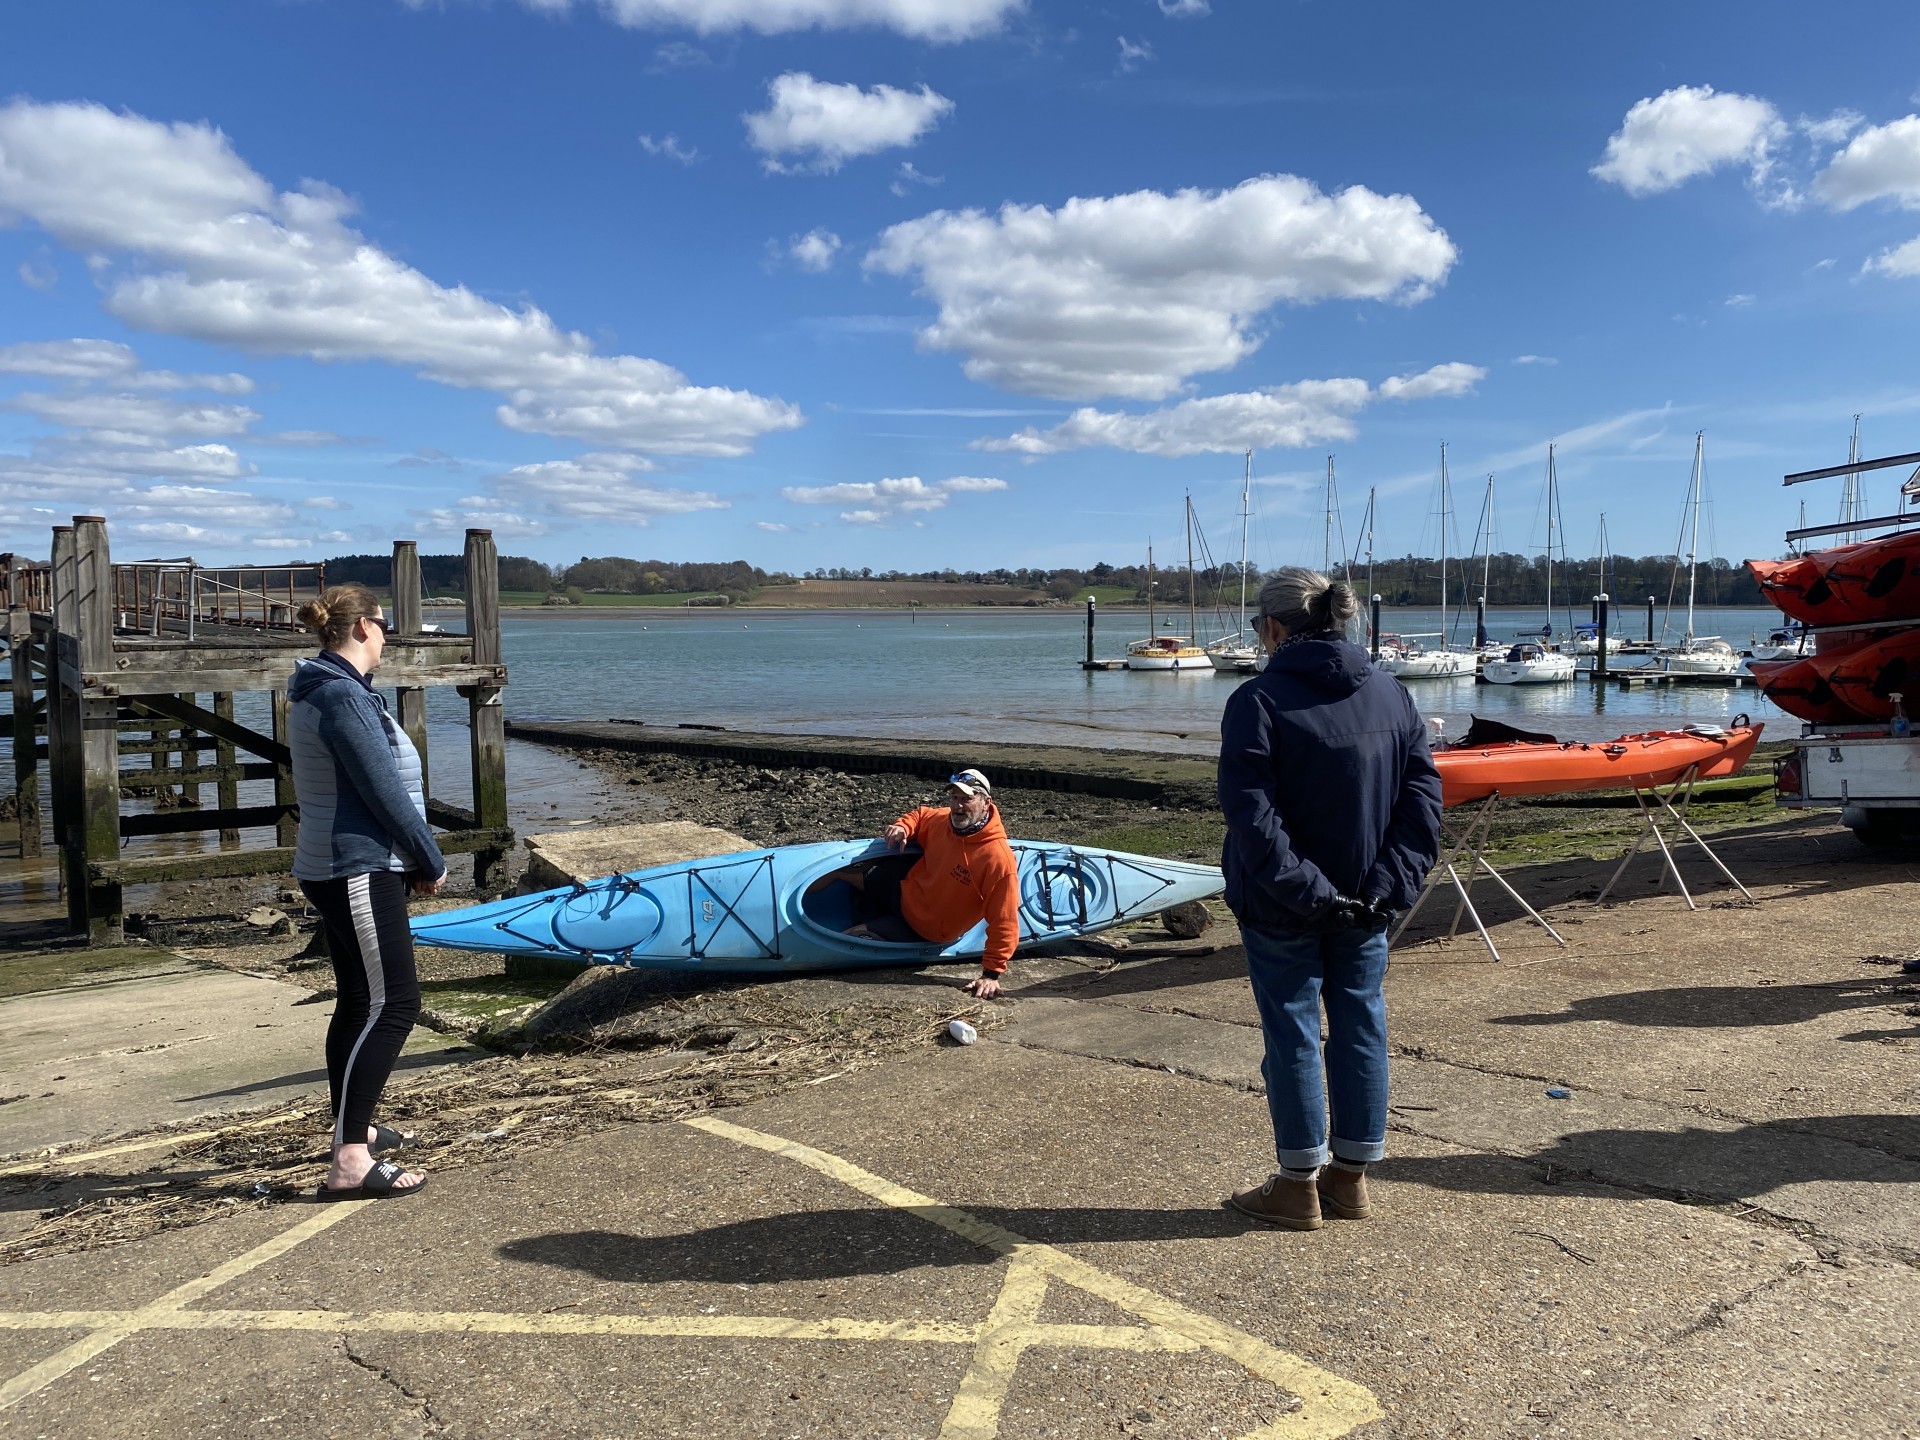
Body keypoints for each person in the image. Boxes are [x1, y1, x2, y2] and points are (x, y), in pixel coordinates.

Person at [1218, 568, 1443, 1231]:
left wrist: (1313, 894)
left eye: (1259, 630)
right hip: (1365, 903)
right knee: (1360, 1028)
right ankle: (1349, 1180)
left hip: (1283, 904)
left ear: (1273, 629)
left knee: (1292, 1033)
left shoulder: (1257, 701)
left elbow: (1253, 819)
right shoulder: (1392, 696)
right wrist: (1384, 887)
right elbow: (1422, 805)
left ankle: (1298, 1185)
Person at [289, 583, 447, 1200]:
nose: (388, 639)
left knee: (359, 1003)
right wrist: (428, 859)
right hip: (356, 867)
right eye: (385, 627)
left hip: (343, 864)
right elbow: (385, 792)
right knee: (396, 1005)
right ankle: (351, 1159)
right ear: (361, 628)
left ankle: (353, 1129)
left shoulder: (329, 689)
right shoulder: (341, 698)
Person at [828, 769, 1020, 999]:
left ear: (986, 802)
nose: (958, 806)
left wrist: (991, 973)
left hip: (923, 929)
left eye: (967, 799)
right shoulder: (944, 821)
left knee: (846, 938)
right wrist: (902, 827)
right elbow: (921, 815)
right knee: (840, 872)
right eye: (954, 798)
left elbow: (1004, 919)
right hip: (905, 892)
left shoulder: (996, 858)